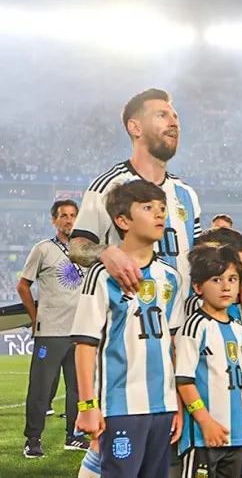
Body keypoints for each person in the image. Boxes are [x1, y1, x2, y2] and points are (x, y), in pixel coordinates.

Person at [69, 89, 242, 327]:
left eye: (175, 117)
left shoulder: (186, 195)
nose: (173, 123)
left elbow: (203, 261)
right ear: (135, 127)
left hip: (182, 329)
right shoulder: (109, 186)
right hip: (128, 328)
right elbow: (76, 247)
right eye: (162, 115)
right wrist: (106, 252)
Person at [70, 180, 185, 477]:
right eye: (147, 208)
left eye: (162, 208)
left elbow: (171, 343)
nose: (160, 215)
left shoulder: (171, 278)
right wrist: (87, 405)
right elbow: (85, 345)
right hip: (121, 405)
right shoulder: (102, 275)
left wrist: (178, 405)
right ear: (122, 221)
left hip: (163, 407)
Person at [176, 245, 242, 478]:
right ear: (198, 287)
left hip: (235, 435)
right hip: (202, 438)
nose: (226, 286)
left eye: (232, 279)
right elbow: (184, 381)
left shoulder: (240, 330)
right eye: (217, 279)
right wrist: (205, 421)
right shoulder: (195, 327)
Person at [18, 199, 86, 458]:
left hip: (78, 333)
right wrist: (35, 318)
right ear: (54, 220)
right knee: (41, 387)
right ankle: (33, 439)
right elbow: (23, 286)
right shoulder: (43, 249)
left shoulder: (85, 251)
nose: (69, 220)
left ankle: (74, 435)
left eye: (72, 216)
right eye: (63, 216)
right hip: (50, 332)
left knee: (77, 388)